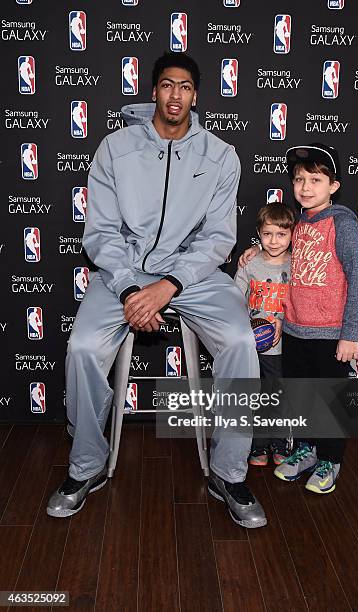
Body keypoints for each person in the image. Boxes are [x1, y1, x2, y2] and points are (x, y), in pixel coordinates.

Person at [47, 52, 266, 528]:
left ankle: (227, 473)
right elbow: (101, 232)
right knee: (82, 346)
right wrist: (130, 289)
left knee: (240, 342)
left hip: (193, 276)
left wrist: (168, 285)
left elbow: (217, 239)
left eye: (185, 87)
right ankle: (86, 465)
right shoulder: (115, 148)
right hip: (123, 273)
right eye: (167, 85)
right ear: (153, 92)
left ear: (196, 96)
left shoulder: (220, 155)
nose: (176, 95)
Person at [239, 143, 358, 494]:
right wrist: (254, 251)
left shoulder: (343, 223)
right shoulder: (299, 222)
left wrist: (350, 334)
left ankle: (330, 460)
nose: (306, 187)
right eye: (299, 180)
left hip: (330, 333)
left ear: (334, 186)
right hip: (294, 330)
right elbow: (276, 246)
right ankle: (308, 450)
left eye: (315, 179)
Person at [234, 203, 295, 466]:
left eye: (281, 234)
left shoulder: (297, 266)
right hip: (252, 347)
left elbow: (302, 302)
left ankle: (280, 442)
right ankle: (258, 446)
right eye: (267, 234)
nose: (273, 241)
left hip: (281, 350)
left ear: (292, 235)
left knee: (279, 394)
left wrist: (285, 321)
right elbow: (235, 299)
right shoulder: (250, 264)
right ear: (258, 233)